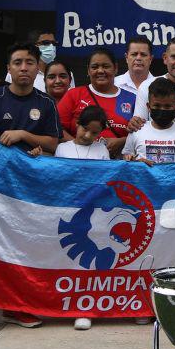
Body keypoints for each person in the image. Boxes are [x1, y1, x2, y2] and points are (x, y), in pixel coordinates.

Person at [0, 42, 62, 335]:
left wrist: (26, 136)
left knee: (20, 246)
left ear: (38, 68)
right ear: (8, 68)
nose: (24, 67)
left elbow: (53, 144)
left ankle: (14, 305)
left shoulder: (46, 103)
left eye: (30, 62)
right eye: (18, 62)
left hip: (30, 192)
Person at [57, 105, 112, 331]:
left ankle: (86, 309)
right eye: (85, 129)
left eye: (95, 133)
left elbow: (108, 180)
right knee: (70, 262)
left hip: (95, 215)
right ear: (77, 124)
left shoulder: (102, 151)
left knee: (89, 264)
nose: (88, 136)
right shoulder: (62, 148)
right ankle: (70, 305)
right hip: (69, 213)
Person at [56, 47, 135, 158]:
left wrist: (122, 141)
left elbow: (143, 133)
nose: (100, 71)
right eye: (95, 67)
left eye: (106, 66)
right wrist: (80, 147)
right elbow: (56, 128)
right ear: (88, 71)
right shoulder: (73, 95)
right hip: (78, 162)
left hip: (119, 164)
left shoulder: (132, 98)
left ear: (116, 68)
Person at [123, 77, 175, 165]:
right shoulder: (137, 130)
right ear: (148, 107)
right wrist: (135, 162)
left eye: (167, 106)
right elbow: (126, 160)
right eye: (157, 106)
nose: (162, 109)